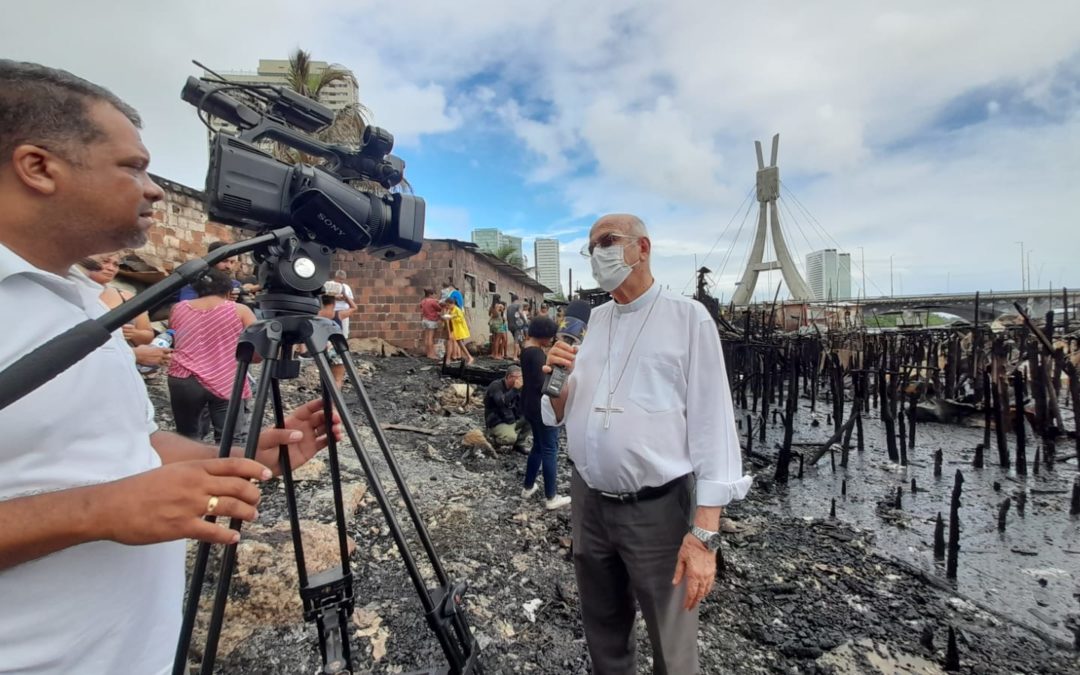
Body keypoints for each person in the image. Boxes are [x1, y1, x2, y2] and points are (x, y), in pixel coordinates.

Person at [0, 60, 339, 673]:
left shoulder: (75, 298)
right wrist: (98, 511)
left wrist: (237, 458)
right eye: (132, 167)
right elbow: (104, 493)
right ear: (38, 167)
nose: (154, 189)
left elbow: (125, 440)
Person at [542, 213, 751, 674]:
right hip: (589, 502)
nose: (598, 253)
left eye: (608, 241)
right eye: (592, 246)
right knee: (604, 634)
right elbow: (560, 417)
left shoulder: (688, 318)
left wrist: (704, 536)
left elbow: (713, 426)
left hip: (657, 510)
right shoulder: (589, 323)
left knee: (672, 648)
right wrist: (556, 386)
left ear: (643, 248)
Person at [167, 267, 257, 444]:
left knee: (187, 438)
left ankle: (191, 470)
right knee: (230, 440)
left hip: (184, 378)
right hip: (226, 379)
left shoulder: (177, 308)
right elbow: (258, 345)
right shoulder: (240, 310)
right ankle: (227, 471)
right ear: (229, 290)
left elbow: (174, 337)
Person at [519, 316, 570, 509]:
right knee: (550, 449)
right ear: (543, 335)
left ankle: (528, 487)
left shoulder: (526, 350)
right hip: (541, 407)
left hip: (529, 405)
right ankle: (551, 497)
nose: (551, 340)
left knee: (538, 447)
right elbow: (543, 384)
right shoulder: (537, 354)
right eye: (550, 336)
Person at [79, 252, 154, 346]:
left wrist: (134, 334)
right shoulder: (73, 295)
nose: (111, 268)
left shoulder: (127, 297)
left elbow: (148, 336)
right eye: (105, 262)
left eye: (116, 264)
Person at [176, 240, 244, 302]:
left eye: (232, 262)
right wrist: (223, 300)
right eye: (224, 261)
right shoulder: (195, 283)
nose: (228, 266)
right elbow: (188, 306)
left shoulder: (235, 284)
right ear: (212, 260)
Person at [318, 280, 355, 389]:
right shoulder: (338, 314)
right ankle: (333, 404)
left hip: (320, 348)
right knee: (337, 379)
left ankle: (326, 403)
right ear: (334, 302)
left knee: (325, 378)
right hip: (335, 348)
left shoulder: (316, 315)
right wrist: (345, 296)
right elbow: (354, 308)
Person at [483, 365, 529, 452]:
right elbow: (502, 402)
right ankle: (492, 440)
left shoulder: (519, 388)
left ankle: (519, 444)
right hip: (497, 421)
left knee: (532, 416)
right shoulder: (496, 386)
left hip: (511, 418)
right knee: (510, 438)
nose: (521, 381)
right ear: (509, 377)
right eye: (519, 378)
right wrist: (515, 389)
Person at [441, 296, 474, 365]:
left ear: (452, 304)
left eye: (448, 305)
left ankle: (448, 359)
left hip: (458, 330)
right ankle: (469, 357)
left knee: (452, 342)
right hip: (453, 329)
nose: (447, 307)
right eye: (446, 305)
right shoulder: (450, 310)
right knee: (458, 344)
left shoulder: (457, 310)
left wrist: (452, 317)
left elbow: (461, 319)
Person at [332, 269, 357, 338]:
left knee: (344, 333)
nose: (342, 281)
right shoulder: (330, 285)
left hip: (344, 312)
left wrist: (345, 298)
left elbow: (351, 300)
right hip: (333, 312)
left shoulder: (346, 287)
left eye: (343, 279)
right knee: (334, 332)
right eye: (340, 279)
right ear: (336, 277)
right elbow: (325, 298)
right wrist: (335, 297)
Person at [420, 288, 442, 359]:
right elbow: (439, 308)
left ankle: (428, 353)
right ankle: (431, 355)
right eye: (433, 294)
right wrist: (438, 302)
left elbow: (422, 307)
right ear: (430, 294)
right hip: (431, 321)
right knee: (430, 338)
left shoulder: (423, 301)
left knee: (426, 338)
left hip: (424, 320)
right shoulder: (432, 301)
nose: (434, 296)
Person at [505, 293, 523, 360]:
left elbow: (507, 316)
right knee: (517, 340)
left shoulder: (509, 307)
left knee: (517, 339)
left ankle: (519, 353)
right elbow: (520, 313)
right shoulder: (518, 305)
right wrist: (524, 320)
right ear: (517, 299)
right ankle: (515, 356)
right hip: (517, 325)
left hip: (510, 325)